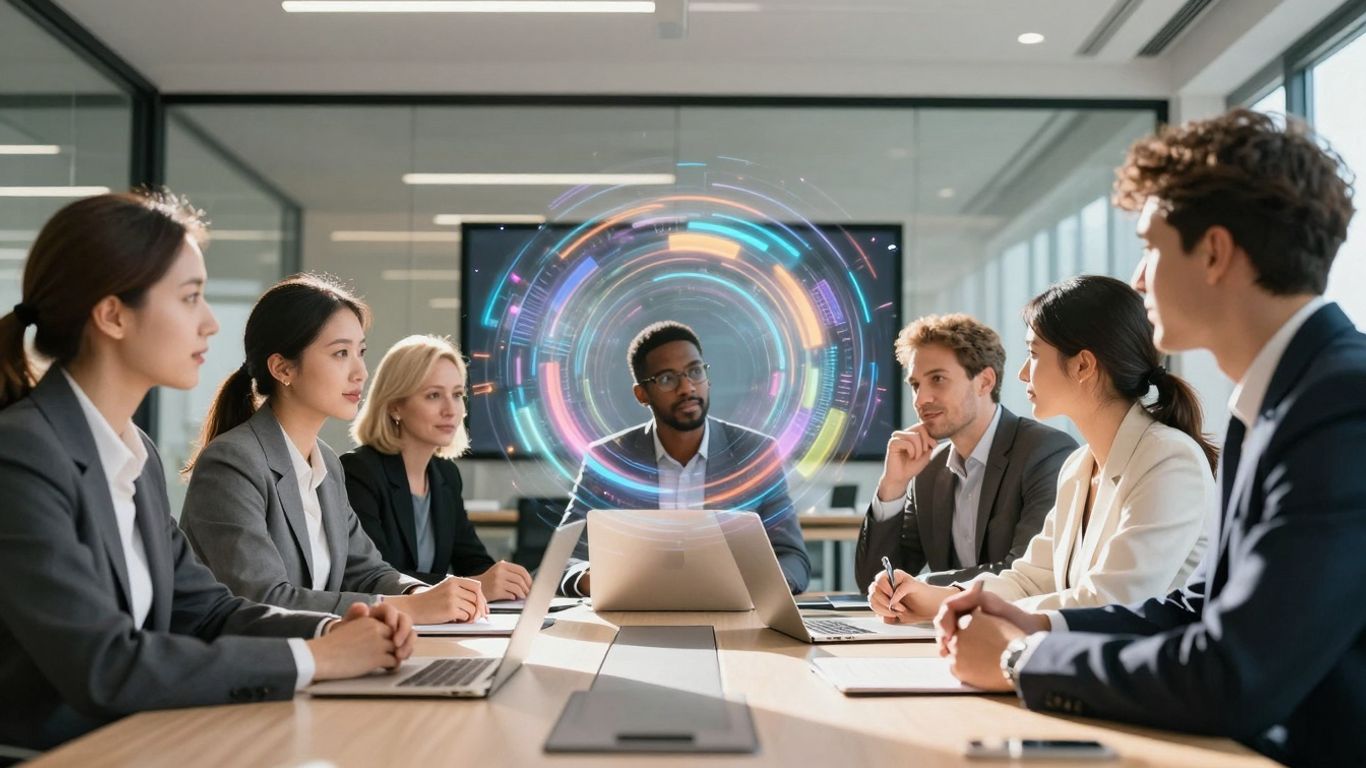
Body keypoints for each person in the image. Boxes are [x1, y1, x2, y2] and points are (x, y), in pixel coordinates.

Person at [934, 109, 1365, 767]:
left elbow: (1235, 674)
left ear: (1214, 252)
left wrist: (1024, 657)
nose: (1139, 279)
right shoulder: (1277, 402)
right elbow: (1200, 607)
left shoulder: (1341, 406)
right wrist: (1040, 623)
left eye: (1150, 248)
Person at [0, 192, 412, 750]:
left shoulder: (136, 455)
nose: (212, 323)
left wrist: (335, 629)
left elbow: (209, 611)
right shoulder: (22, 453)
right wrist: (316, 658)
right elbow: (104, 664)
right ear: (113, 315)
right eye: (191, 297)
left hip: (150, 739)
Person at [869, 276, 1217, 621]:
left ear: (1083, 365)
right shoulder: (1079, 467)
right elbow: (1030, 581)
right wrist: (941, 598)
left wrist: (966, 608)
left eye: (1033, 354)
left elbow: (1109, 602)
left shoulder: (1169, 460)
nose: (1023, 373)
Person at [180, 275, 487, 625]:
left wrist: (418, 593)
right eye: (341, 353)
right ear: (282, 368)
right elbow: (263, 599)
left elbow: (367, 571)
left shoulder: (325, 463)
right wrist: (409, 609)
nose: (361, 372)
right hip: (255, 658)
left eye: (361, 352)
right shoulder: (232, 463)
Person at [558, 321, 811, 596]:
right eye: (667, 379)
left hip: (732, 611)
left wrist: (767, 588)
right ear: (642, 394)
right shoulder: (609, 459)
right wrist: (587, 579)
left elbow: (792, 557)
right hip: (637, 610)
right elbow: (563, 559)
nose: (687, 388)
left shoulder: (756, 453)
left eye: (695, 371)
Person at [854, 314, 1076, 590]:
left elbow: (1025, 576)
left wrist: (921, 587)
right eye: (915, 385)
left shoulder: (1045, 452)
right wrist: (893, 486)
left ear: (985, 382)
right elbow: (875, 582)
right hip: (946, 618)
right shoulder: (927, 471)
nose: (921, 399)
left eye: (937, 379)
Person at [342, 334, 531, 600]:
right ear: (395, 406)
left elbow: (473, 562)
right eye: (433, 395)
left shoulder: (445, 475)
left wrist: (506, 580)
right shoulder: (359, 471)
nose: (451, 410)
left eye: (457, 395)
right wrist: (475, 585)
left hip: (436, 621)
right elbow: (376, 577)